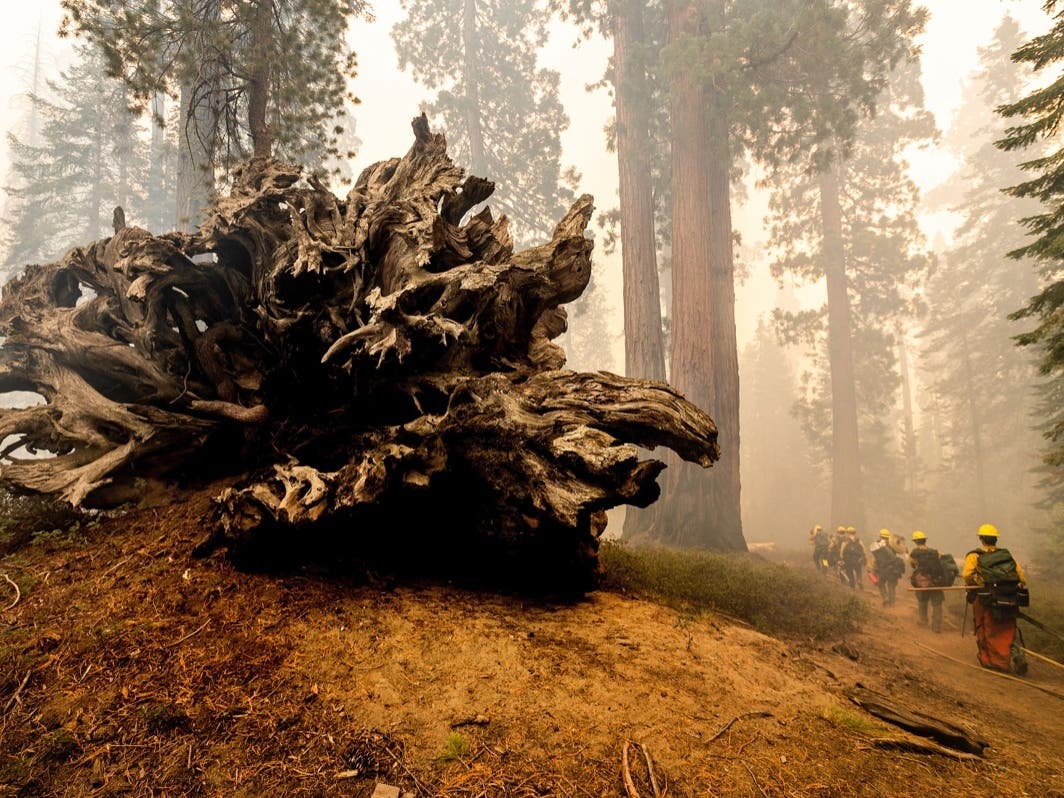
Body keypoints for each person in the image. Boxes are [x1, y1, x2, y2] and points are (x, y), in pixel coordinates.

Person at [963, 524, 1029, 675]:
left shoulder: (974, 556)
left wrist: (975, 585)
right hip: (1009, 598)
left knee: (986, 627)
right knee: (1008, 627)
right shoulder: (1006, 555)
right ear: (995, 539)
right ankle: (1017, 655)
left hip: (986, 598)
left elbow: (967, 575)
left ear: (981, 538)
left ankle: (993, 661)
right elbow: (1021, 577)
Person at [909, 531, 945, 633]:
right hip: (936, 580)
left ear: (915, 541)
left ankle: (923, 621)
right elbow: (941, 562)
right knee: (937, 603)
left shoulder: (913, 553)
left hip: (922, 581)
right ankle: (936, 627)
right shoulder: (935, 552)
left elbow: (912, 565)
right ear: (925, 540)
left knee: (922, 601)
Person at [870, 528, 904, 606]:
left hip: (881, 569)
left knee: (881, 584)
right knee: (891, 586)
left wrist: (873, 568)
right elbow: (901, 551)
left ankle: (885, 598)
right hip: (893, 569)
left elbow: (874, 558)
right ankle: (892, 603)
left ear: (880, 536)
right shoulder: (893, 545)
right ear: (888, 537)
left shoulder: (876, 545)